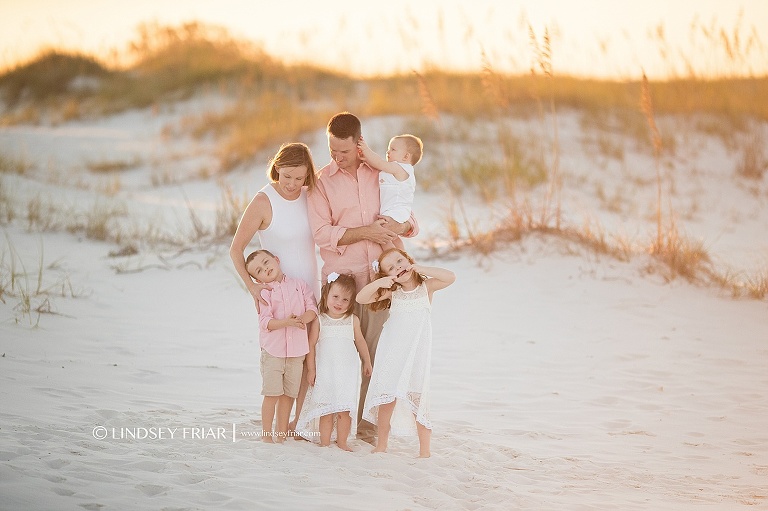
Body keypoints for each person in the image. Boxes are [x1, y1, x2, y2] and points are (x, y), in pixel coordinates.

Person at [307, 112, 419, 444]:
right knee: (335, 355)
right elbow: (321, 234)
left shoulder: (382, 172)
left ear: (359, 145)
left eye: (343, 151)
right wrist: (365, 232)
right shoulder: (321, 182)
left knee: (375, 355)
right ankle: (329, 422)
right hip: (342, 283)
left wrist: (399, 227)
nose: (336, 158)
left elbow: (409, 213)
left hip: (383, 280)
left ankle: (365, 427)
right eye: (332, 150)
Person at [229, 142, 320, 431]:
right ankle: (280, 422)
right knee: (280, 359)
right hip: (278, 298)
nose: (293, 184)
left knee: (308, 357)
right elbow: (235, 250)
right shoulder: (263, 201)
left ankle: (298, 422)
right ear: (276, 167)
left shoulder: (310, 196)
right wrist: (252, 288)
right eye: (287, 176)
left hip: (308, 289)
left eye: (300, 178)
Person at [357, 248, 455, 458]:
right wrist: (379, 283)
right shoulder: (393, 293)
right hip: (392, 351)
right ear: (388, 275)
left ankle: (425, 451)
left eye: (400, 261)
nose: (398, 267)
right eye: (391, 268)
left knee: (417, 399)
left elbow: (451, 277)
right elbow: (361, 299)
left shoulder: (426, 287)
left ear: (409, 260)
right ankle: (382, 444)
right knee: (387, 399)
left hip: (416, 353)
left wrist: (421, 268)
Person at [245, 249, 318, 443]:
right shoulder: (265, 294)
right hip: (273, 352)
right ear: (258, 280)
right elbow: (265, 322)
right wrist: (286, 322)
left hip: (297, 352)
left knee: (288, 395)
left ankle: (281, 433)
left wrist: (302, 319)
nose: (265, 269)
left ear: (276, 260)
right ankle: (267, 435)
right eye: (259, 271)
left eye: (266, 262)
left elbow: (312, 308)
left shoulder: (299, 285)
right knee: (272, 394)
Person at [295, 272, 372, 450]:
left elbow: (360, 342)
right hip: (326, 372)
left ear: (351, 302)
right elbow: (312, 345)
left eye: (345, 299)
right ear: (326, 295)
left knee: (344, 411)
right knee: (326, 410)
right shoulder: (320, 320)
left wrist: (367, 361)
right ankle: (325, 442)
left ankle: (343, 442)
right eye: (335, 297)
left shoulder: (352, 320)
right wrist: (312, 370)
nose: (339, 302)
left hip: (347, 372)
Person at [357, 133, 422, 223]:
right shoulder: (396, 169)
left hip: (396, 212)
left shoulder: (400, 168)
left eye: (393, 149)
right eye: (388, 149)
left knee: (380, 231)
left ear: (406, 156)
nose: (388, 152)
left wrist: (365, 149)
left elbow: (379, 163)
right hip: (393, 211)